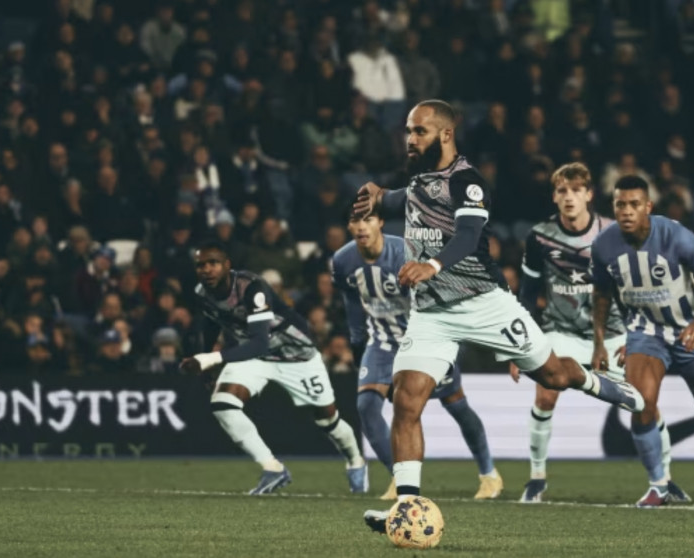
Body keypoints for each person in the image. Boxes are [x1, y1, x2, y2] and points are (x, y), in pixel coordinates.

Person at [357, 100, 642, 533]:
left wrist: (430, 265)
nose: (410, 139)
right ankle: (406, 509)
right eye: (408, 132)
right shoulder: (419, 180)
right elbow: (402, 199)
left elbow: (469, 237)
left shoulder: (468, 182)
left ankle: (596, 382)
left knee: (552, 377)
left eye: (419, 132)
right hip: (432, 313)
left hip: (485, 302)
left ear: (445, 134)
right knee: (406, 398)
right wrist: (380, 196)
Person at [513, 162, 690, 504]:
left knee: (646, 404)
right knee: (544, 396)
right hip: (560, 331)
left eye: (576, 190)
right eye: (562, 190)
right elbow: (527, 293)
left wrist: (636, 336)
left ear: (590, 195)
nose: (569, 197)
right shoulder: (539, 236)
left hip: (613, 335)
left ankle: (665, 479)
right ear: (554, 196)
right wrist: (521, 347)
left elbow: (639, 283)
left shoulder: (613, 232)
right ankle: (536, 477)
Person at [590, 176, 694, 508]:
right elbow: (601, 292)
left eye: (634, 204)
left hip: (687, 330)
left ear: (648, 207)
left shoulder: (676, 235)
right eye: (620, 205)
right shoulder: (603, 245)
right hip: (645, 331)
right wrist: (600, 341)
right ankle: (658, 485)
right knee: (640, 405)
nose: (626, 211)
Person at [333, 209, 502, 501]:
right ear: (348, 225)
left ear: (380, 222)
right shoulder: (342, 261)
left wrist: (445, 340)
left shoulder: (404, 253)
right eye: (355, 221)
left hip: (423, 340)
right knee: (366, 407)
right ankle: (400, 481)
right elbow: (351, 302)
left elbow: (437, 296)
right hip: (382, 342)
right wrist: (358, 342)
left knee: (456, 404)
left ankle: (489, 475)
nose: (361, 227)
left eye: (368, 219)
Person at [182, 240, 366, 495]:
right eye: (201, 265)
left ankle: (356, 461)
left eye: (213, 263)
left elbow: (259, 342)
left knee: (327, 420)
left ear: (227, 265)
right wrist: (207, 368)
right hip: (253, 357)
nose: (206, 270)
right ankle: (273, 468)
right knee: (223, 404)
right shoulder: (202, 293)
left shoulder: (251, 287)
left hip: (295, 354)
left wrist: (208, 359)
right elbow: (213, 322)